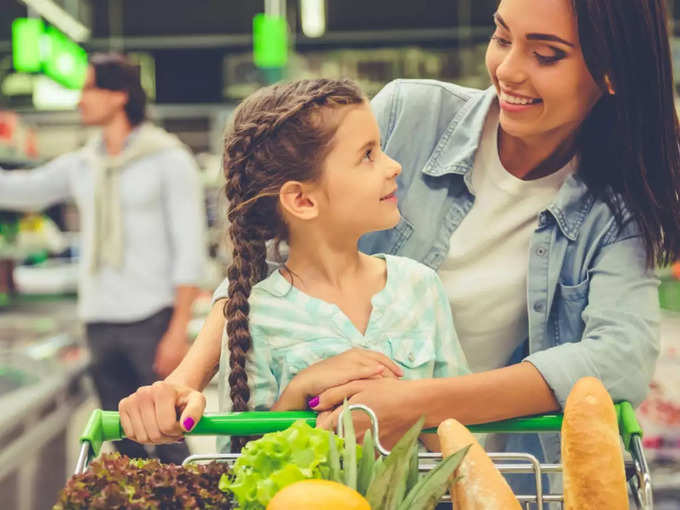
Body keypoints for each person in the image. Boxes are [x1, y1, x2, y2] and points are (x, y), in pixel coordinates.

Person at [122, 0, 680, 497]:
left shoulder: (614, 206)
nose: (508, 70)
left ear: (610, 73)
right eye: (502, 36)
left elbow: (619, 359)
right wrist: (184, 381)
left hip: (479, 475)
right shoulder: (409, 115)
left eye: (547, 54)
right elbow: (265, 262)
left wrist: (417, 405)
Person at [118, 78, 469, 454]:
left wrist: (406, 406)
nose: (394, 166)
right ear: (302, 200)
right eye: (368, 155)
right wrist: (301, 392)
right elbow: (246, 472)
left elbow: (463, 439)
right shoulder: (256, 316)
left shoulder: (420, 286)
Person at [0, 53, 206, 464]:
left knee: (168, 433)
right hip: (98, 320)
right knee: (121, 437)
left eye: (89, 88)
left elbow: (190, 247)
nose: (80, 100)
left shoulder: (169, 158)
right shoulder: (84, 163)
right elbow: (24, 189)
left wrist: (178, 329)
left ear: (118, 95)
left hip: (152, 319)